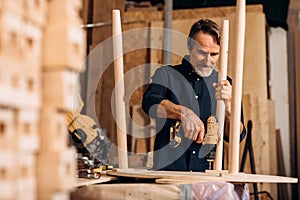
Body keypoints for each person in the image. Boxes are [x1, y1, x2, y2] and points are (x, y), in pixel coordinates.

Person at [142, 19, 246, 172]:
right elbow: (149, 103)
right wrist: (183, 113)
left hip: (207, 176)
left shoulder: (225, 83)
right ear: (190, 46)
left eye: (214, 54)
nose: (208, 60)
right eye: (202, 53)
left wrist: (230, 108)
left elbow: (236, 136)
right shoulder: (167, 74)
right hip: (169, 175)